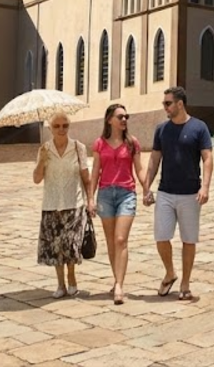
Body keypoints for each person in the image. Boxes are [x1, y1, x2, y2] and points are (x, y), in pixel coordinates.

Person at [142, 86, 213, 300]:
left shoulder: (199, 127)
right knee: (161, 237)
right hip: (165, 192)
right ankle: (170, 272)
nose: (165, 107)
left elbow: (207, 158)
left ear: (180, 104)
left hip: (190, 194)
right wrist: (146, 187)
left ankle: (185, 283)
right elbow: (154, 160)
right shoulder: (162, 130)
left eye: (168, 103)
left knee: (188, 240)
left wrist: (205, 187)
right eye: (164, 103)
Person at [89, 103, 147, 305]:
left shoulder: (132, 143)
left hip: (126, 194)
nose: (124, 120)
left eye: (126, 117)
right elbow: (95, 172)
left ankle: (119, 285)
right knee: (111, 241)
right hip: (105, 195)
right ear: (109, 120)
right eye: (120, 117)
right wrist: (90, 198)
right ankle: (117, 280)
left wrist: (146, 187)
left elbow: (139, 169)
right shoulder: (99, 144)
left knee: (121, 239)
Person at [32, 111, 93, 298]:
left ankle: (72, 278)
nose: (61, 129)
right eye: (57, 126)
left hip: (74, 202)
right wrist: (42, 160)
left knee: (71, 244)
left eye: (65, 125)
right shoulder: (44, 149)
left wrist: (90, 200)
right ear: (50, 128)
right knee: (56, 246)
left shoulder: (78, 148)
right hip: (51, 204)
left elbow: (86, 178)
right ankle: (60, 284)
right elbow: (36, 179)